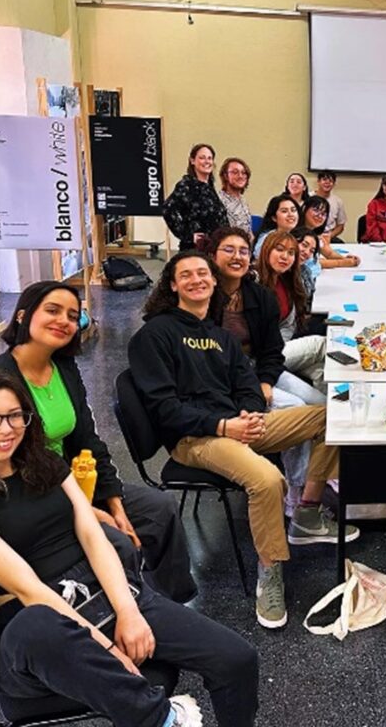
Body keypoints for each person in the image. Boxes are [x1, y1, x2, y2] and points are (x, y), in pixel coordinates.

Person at [0, 368, 259, 727]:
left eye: (14, 415)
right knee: (37, 623)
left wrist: (128, 611)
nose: (6, 428)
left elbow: (92, 535)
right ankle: (164, 718)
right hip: (35, 631)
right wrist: (104, 649)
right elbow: (26, 586)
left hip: (99, 593)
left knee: (237, 659)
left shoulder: (43, 462)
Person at [128, 251, 357, 629]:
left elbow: (246, 385)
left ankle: (308, 514)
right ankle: (269, 573)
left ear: (214, 281)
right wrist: (223, 426)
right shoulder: (154, 335)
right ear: (172, 284)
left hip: (239, 426)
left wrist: (249, 412)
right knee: (268, 480)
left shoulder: (221, 336)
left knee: (332, 417)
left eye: (203, 273)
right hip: (196, 438)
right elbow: (163, 409)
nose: (197, 279)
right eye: (186, 275)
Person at [0, 282, 196, 603]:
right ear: (23, 316)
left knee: (160, 508)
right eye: (53, 311)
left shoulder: (64, 368)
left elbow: (87, 439)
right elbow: (13, 466)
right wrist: (84, 509)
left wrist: (113, 501)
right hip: (32, 495)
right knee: (118, 542)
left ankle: (171, 604)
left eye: (73, 316)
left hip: (77, 481)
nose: (65, 321)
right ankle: (125, 614)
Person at [206, 228, 323, 408]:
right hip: (234, 374)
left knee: (321, 400)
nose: (285, 256)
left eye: (291, 253)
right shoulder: (208, 296)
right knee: (319, 346)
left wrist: (266, 376)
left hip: (263, 361)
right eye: (229, 250)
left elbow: (275, 341)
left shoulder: (275, 288)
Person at [257, 230, 327, 391]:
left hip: (282, 347)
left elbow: (288, 325)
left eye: (290, 253)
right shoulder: (254, 283)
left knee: (322, 371)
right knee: (324, 343)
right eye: (279, 250)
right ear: (266, 249)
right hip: (265, 356)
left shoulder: (286, 281)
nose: (285, 257)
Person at [162, 143, 227, 250]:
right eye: (202, 158)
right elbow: (168, 209)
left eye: (210, 158)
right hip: (196, 250)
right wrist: (188, 236)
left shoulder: (209, 187)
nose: (207, 161)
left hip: (213, 248)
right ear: (192, 161)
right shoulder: (187, 185)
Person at [300, 195, 360, 269]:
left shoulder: (315, 235)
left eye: (323, 214)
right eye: (316, 210)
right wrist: (344, 262)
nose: (319, 216)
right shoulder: (296, 233)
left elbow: (329, 253)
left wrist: (345, 258)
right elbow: (311, 262)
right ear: (304, 208)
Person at [217, 157, 253, 233]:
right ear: (226, 176)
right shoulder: (218, 200)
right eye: (235, 172)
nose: (240, 176)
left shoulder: (243, 201)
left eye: (243, 173)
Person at [314, 170, 347, 242]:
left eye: (331, 181)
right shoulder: (308, 197)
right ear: (318, 181)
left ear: (334, 184)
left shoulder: (338, 201)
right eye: (324, 179)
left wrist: (330, 235)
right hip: (310, 235)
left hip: (328, 236)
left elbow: (340, 225)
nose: (327, 183)